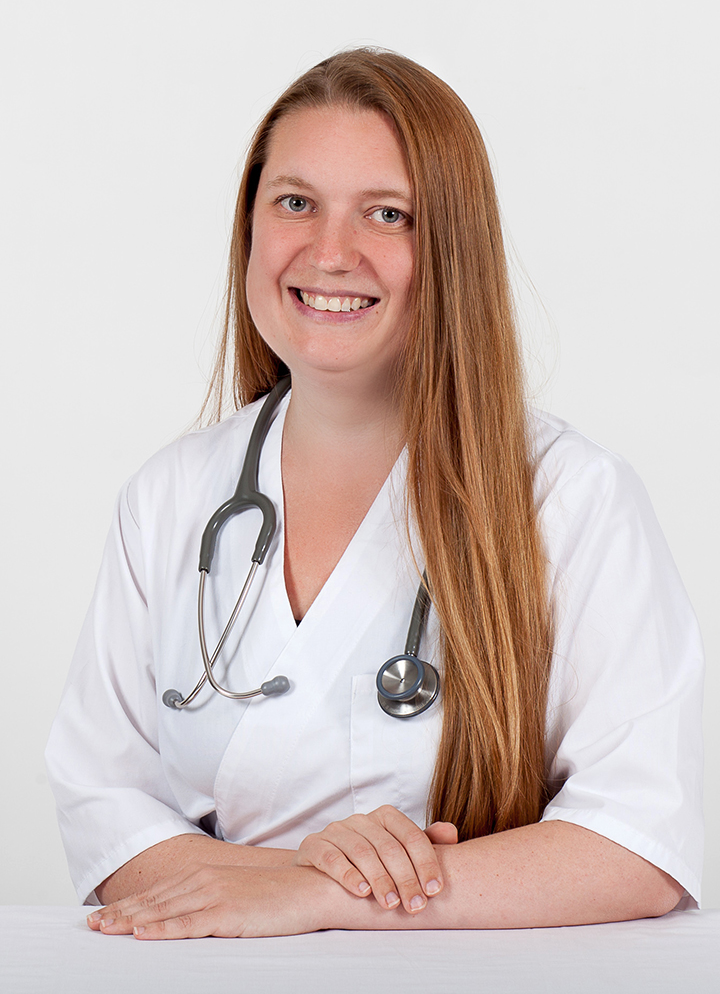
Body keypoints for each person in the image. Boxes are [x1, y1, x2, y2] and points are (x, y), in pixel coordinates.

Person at [45, 48, 703, 940]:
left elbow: (636, 844)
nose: (329, 252)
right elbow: (103, 808)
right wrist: (295, 880)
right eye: (295, 203)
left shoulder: (574, 499)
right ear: (250, 226)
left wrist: (319, 896)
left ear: (452, 247)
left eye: (386, 214)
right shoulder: (168, 497)